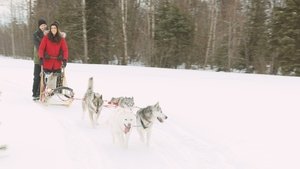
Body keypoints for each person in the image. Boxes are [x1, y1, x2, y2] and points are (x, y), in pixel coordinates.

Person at [38, 21, 69, 89]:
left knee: (56, 81)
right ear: (50, 29)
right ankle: (45, 93)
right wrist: (41, 57)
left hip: (57, 63)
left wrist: (64, 59)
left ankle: (54, 93)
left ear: (57, 29)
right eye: (52, 28)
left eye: (54, 28)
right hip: (47, 62)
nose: (53, 29)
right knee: (47, 81)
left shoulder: (61, 39)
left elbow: (65, 50)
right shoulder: (46, 38)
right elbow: (41, 49)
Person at [32, 18, 47, 100]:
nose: (43, 27)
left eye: (44, 25)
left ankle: (42, 92)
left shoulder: (47, 33)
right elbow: (38, 47)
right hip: (38, 59)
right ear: (39, 26)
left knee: (45, 77)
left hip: (47, 59)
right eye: (42, 25)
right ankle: (35, 93)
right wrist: (42, 56)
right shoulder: (35, 34)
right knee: (37, 76)